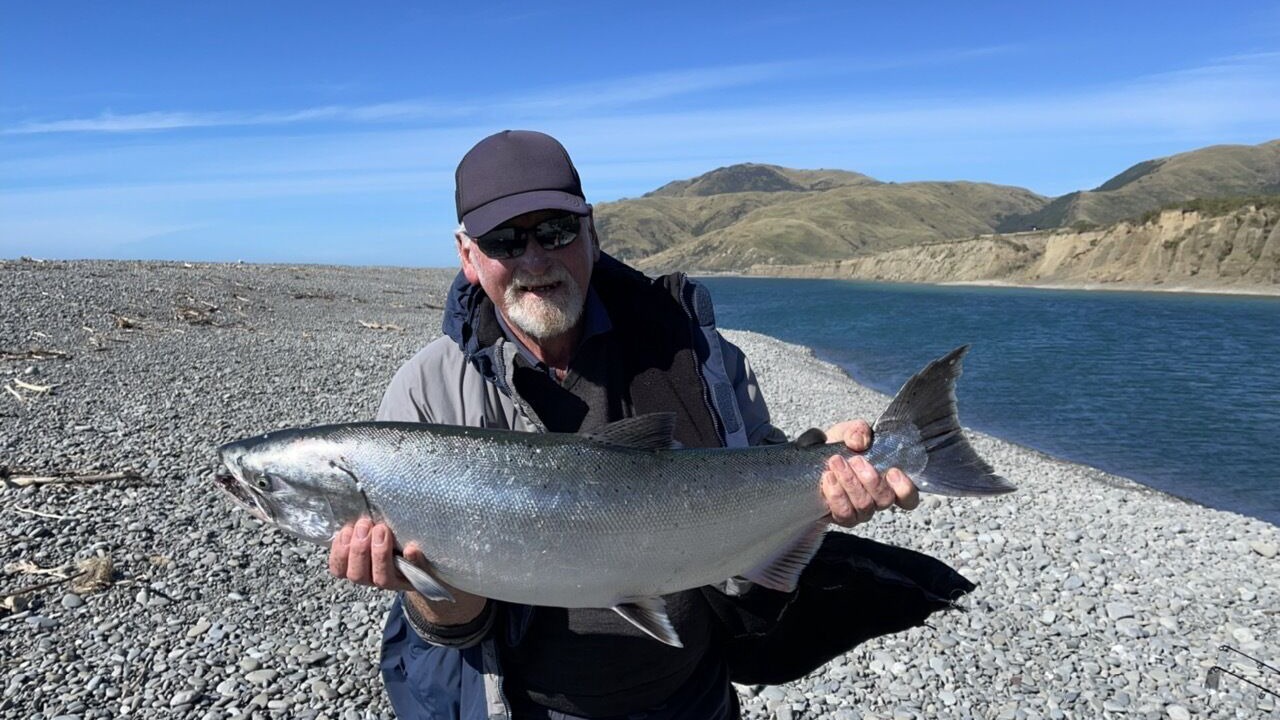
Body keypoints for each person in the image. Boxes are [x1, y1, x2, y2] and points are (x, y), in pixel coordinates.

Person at [326, 130, 921, 719]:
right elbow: (456, 627)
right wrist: (424, 592)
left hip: (694, 698)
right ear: (467, 255)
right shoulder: (426, 395)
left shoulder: (699, 357)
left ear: (592, 231)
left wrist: (827, 467)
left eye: (555, 231)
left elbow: (756, 473)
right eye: (504, 240)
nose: (534, 261)